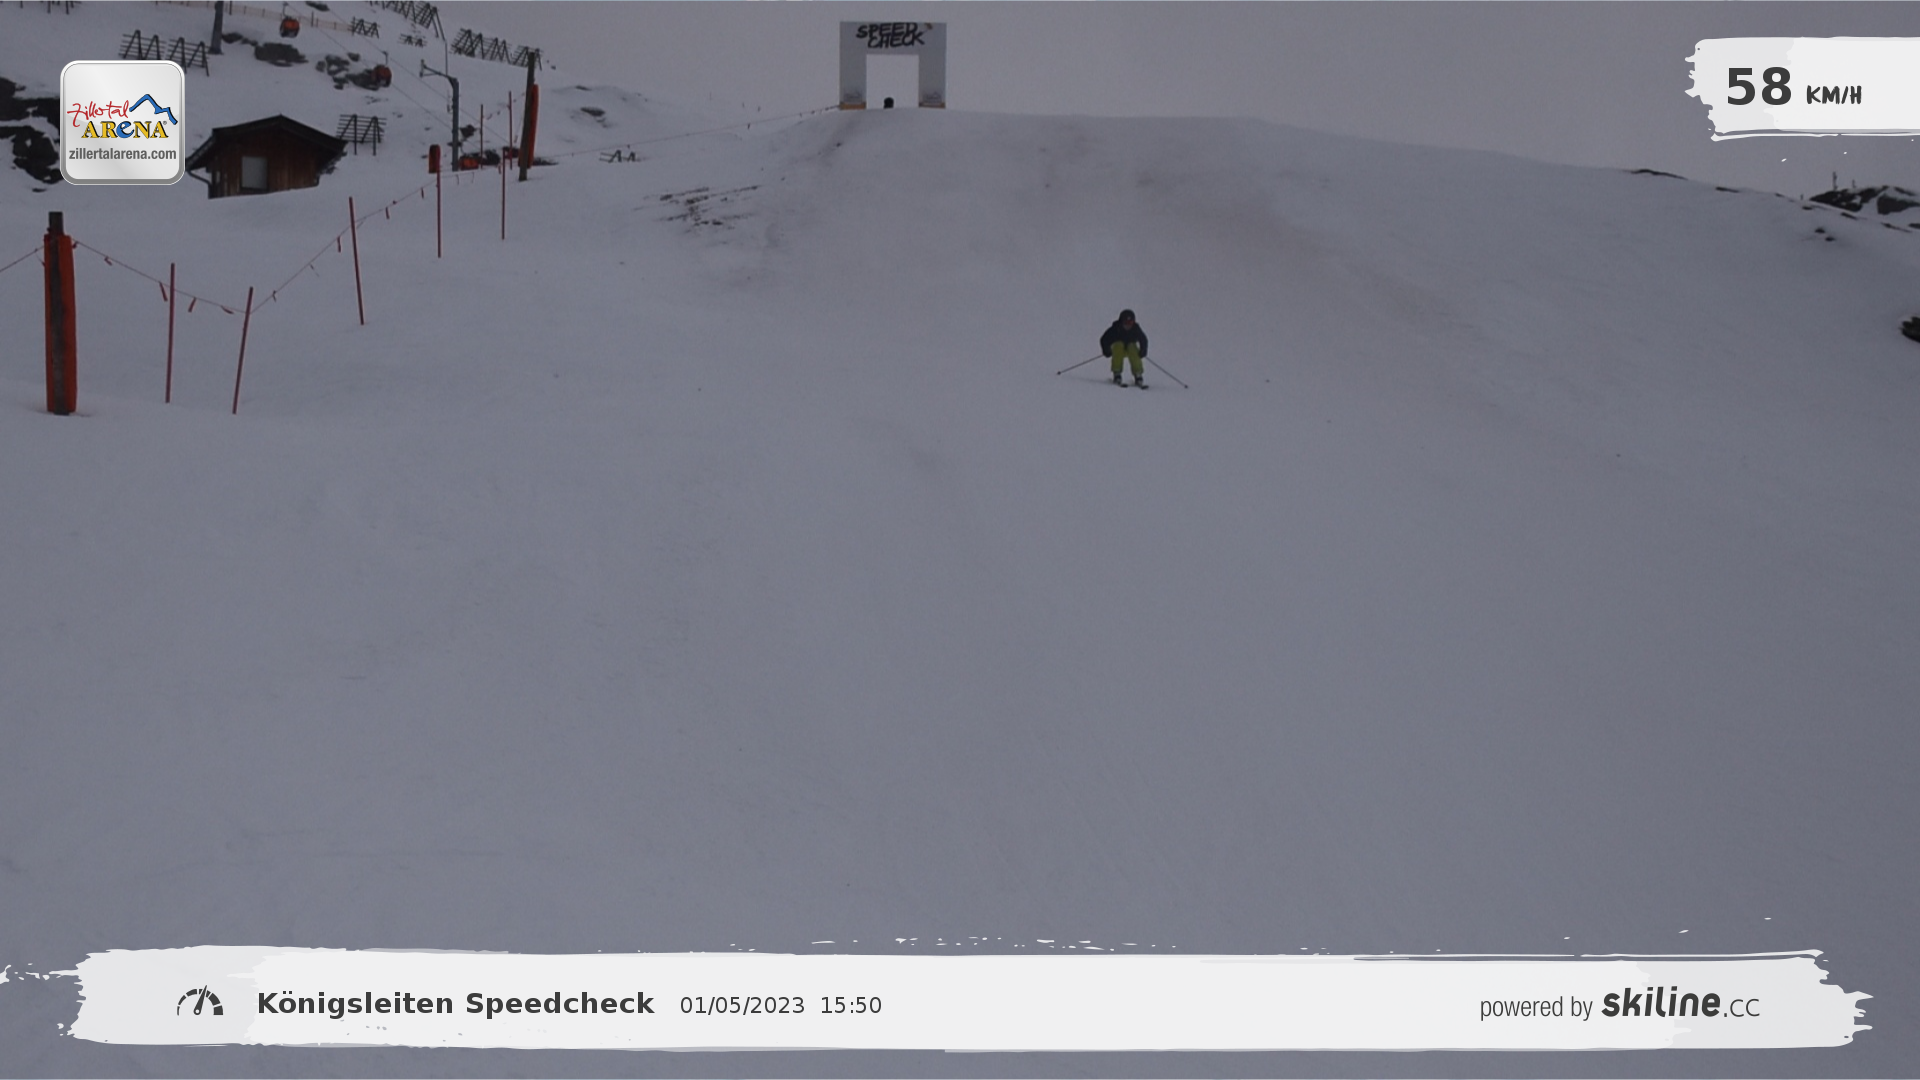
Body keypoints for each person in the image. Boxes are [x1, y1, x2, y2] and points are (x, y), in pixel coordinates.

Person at [1100, 309, 1148, 387]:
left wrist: (1143, 350)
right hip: (1118, 350)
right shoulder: (1116, 328)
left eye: (1130, 323)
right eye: (1126, 323)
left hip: (1130, 350)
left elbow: (1143, 339)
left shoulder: (1135, 329)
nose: (1128, 325)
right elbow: (1104, 339)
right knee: (1118, 345)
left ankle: (1138, 374)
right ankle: (1117, 373)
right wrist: (1106, 350)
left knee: (1132, 347)